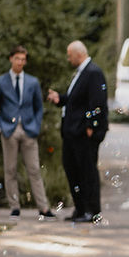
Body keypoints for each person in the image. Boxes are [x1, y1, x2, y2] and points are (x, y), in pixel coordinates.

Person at [0, 44, 55, 219]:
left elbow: (38, 107)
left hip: (28, 129)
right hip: (9, 130)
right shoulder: (0, 82)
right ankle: (15, 207)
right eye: (17, 58)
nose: (20, 62)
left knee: (34, 169)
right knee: (10, 170)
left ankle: (44, 207)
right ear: (11, 59)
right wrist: (0, 127)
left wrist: (36, 125)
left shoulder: (32, 82)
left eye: (23, 59)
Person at [47, 41, 109, 223]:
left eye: (69, 55)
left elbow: (97, 103)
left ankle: (92, 211)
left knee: (87, 172)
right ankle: (80, 208)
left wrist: (91, 126)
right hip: (71, 133)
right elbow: (76, 101)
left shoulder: (93, 73)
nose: (68, 59)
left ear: (78, 54)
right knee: (72, 169)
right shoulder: (82, 73)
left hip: (83, 133)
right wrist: (60, 99)